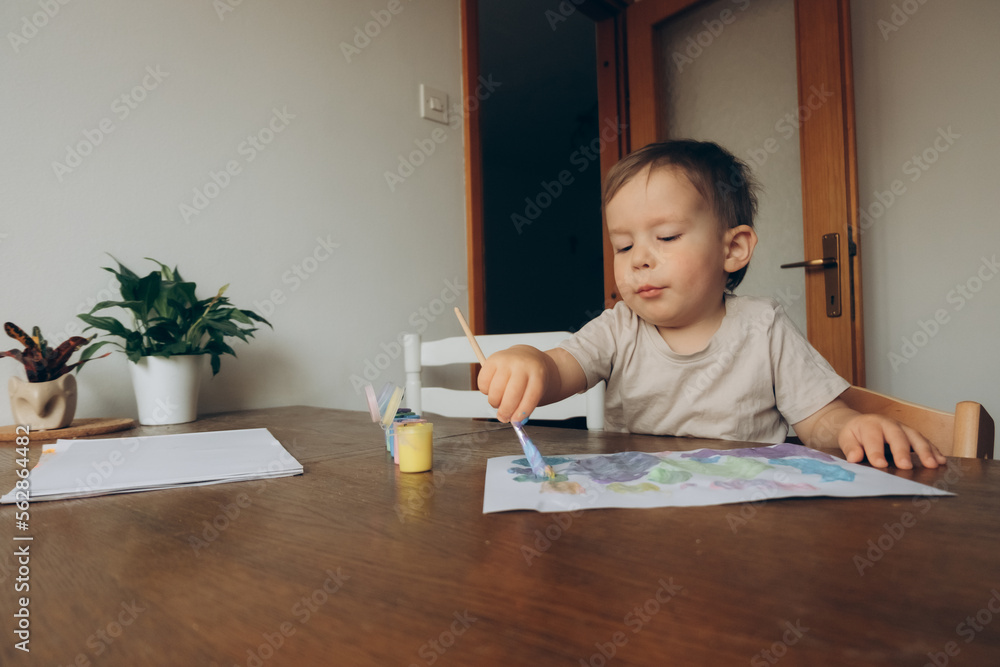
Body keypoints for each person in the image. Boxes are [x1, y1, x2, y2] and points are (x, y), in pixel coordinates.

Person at [477, 140, 945, 470]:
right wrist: (531, 361)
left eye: (666, 237)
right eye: (622, 246)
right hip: (643, 511)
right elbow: (562, 370)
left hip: (745, 516)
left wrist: (850, 428)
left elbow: (819, 417)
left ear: (733, 249)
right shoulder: (620, 328)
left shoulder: (763, 327)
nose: (639, 258)